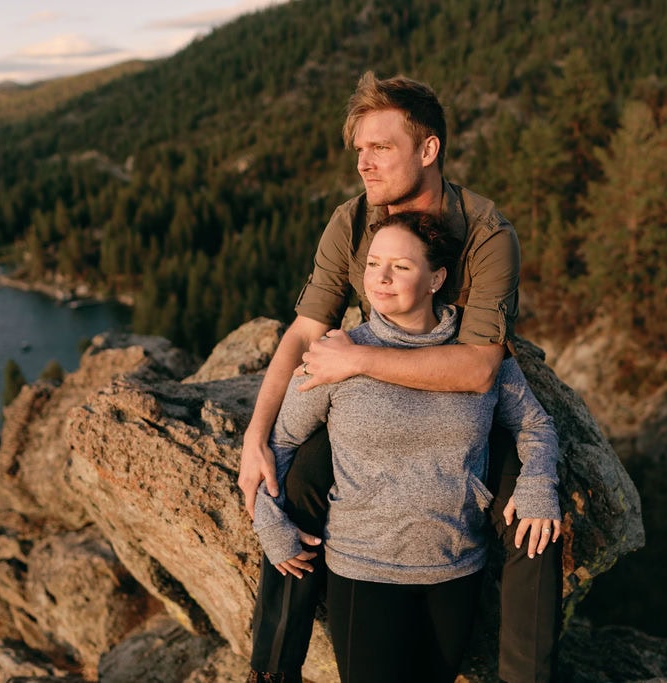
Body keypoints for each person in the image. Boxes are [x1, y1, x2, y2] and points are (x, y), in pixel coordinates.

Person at [240, 71, 563, 683]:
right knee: (299, 481)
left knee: (535, 515)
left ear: (428, 149)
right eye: (360, 148)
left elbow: (476, 368)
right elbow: (308, 330)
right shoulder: (353, 219)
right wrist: (257, 436)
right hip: (369, 398)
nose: (364, 163)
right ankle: (272, 670)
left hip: (463, 404)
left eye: (381, 147)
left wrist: (357, 359)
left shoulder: (486, 233)